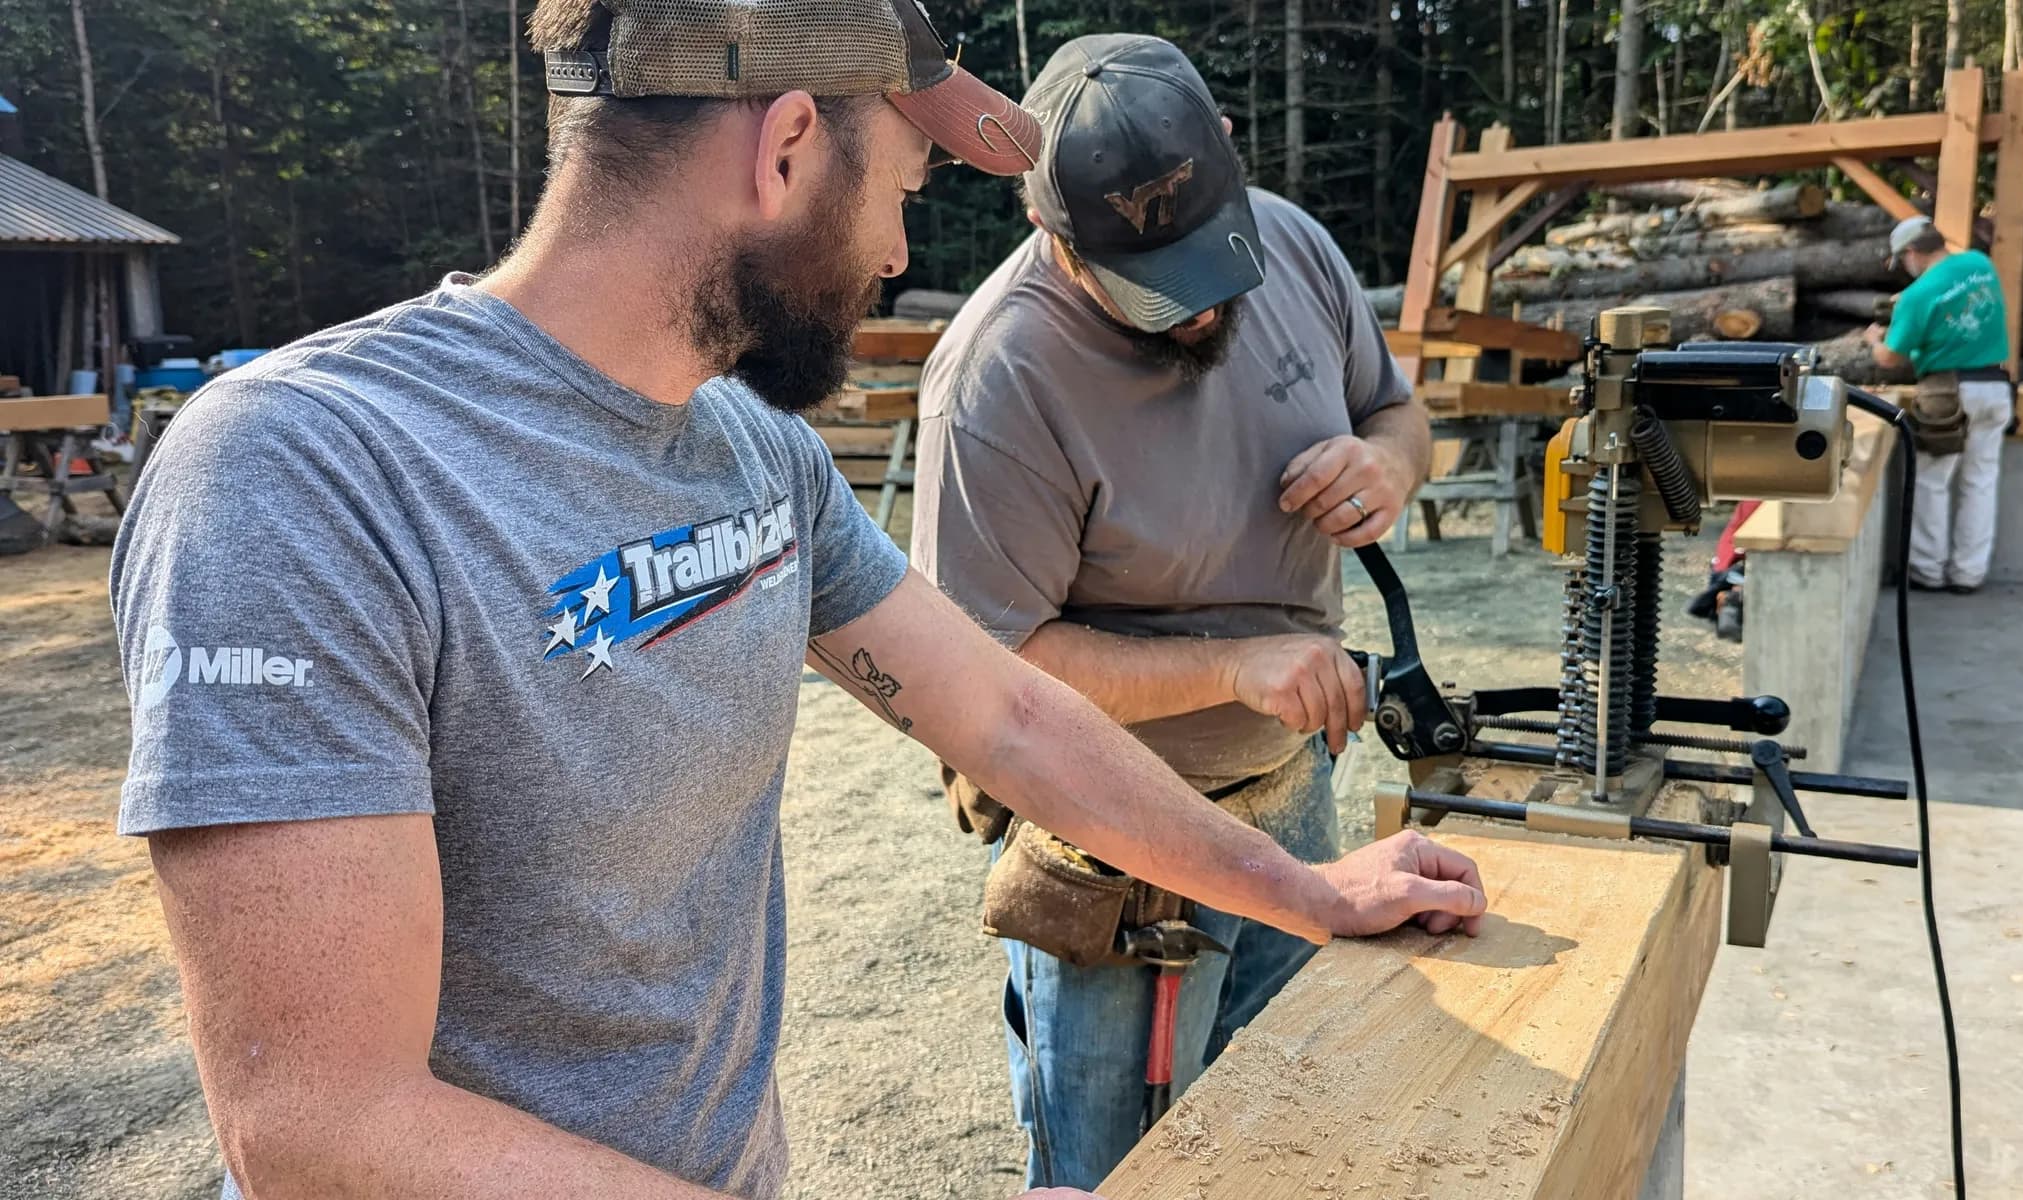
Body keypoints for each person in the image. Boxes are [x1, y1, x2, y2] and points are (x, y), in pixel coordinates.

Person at [108, 4, 1486, 1199]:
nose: (896, 251)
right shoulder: (298, 471)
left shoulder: (752, 453)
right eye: (898, 182)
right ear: (781, 152)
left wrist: (1306, 892)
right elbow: (320, 1130)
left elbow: (1006, 713)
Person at [908, 34, 1434, 1190]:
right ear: (1053, 231)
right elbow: (987, 668)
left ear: (1230, 156)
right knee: (1117, 1171)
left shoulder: (1294, 248)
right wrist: (1238, 668)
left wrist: (1388, 466)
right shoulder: (1000, 376)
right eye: (1153, 287)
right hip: (1118, 841)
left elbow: (1400, 416)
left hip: (1294, 788)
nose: (1196, 314)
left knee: (1282, 1124)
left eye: (1208, 265)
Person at [1868, 214, 2013, 595]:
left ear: (1912, 252)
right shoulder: (1980, 265)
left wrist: (1872, 340)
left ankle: (1928, 571)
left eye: (1903, 261)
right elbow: (1956, 303)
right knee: (1980, 481)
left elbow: (1889, 358)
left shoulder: (1917, 296)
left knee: (1933, 480)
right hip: (1995, 386)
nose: (1905, 269)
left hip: (1947, 393)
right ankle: (1968, 574)